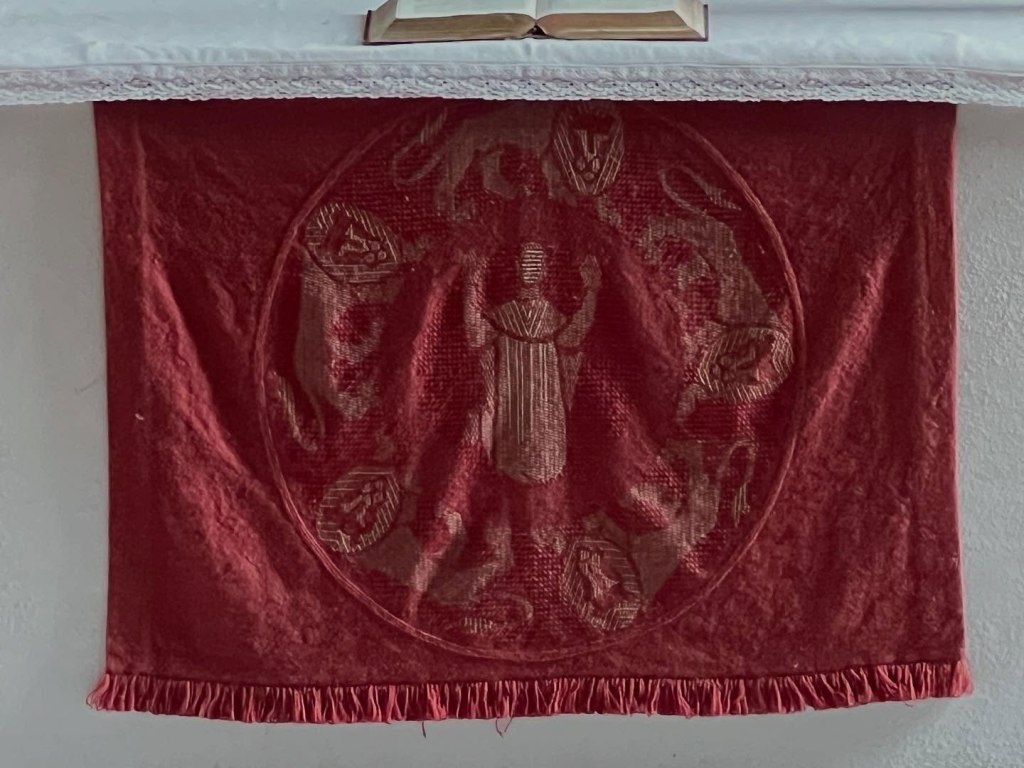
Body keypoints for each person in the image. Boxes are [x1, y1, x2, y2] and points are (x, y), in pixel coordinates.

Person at [464, 242, 601, 484]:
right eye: (527, 262)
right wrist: (472, 285)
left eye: (537, 262)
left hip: (546, 405)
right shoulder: (503, 315)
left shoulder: (552, 316)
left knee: (545, 448)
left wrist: (592, 290)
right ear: (517, 267)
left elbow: (575, 333)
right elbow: (475, 334)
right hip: (510, 403)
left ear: (545, 270)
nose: (531, 268)